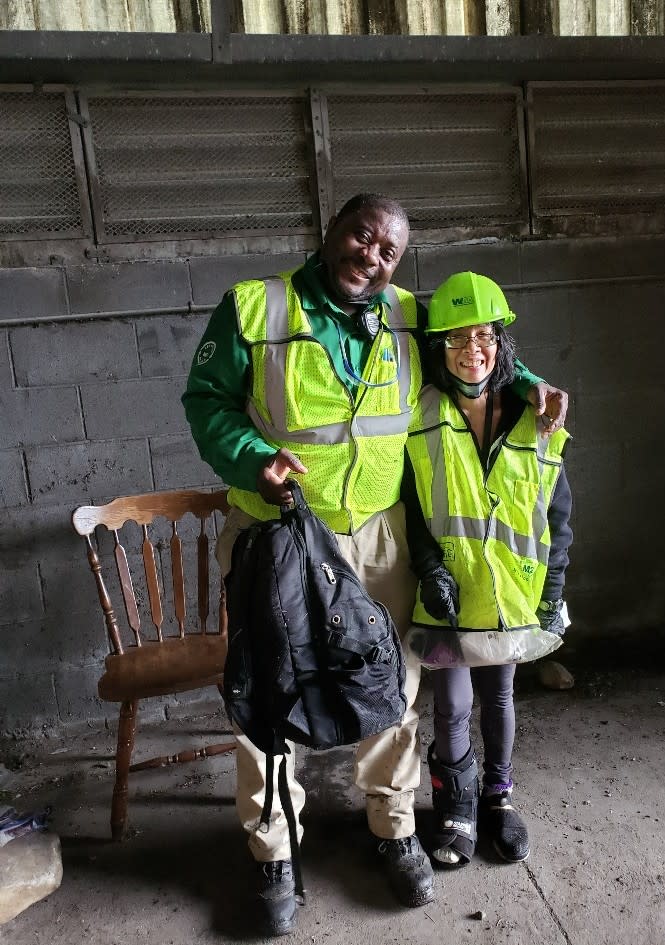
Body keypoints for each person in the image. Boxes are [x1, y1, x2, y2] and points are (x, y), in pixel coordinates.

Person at [182, 195, 568, 935]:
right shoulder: (254, 310)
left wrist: (530, 387)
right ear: (331, 230)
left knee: (395, 688)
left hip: (381, 536)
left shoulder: (405, 313)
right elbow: (206, 403)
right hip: (280, 532)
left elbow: (475, 356)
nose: (373, 256)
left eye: (389, 250)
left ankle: (393, 829)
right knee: (270, 695)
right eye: (363, 236)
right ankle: (274, 853)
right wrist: (255, 459)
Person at [402, 271, 573, 869]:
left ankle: (498, 801)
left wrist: (552, 587)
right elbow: (413, 508)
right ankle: (455, 805)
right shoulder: (420, 414)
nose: (472, 351)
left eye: (484, 337)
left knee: (499, 697)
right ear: (437, 347)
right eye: (455, 339)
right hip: (449, 598)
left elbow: (557, 508)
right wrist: (429, 572)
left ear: (501, 342)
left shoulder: (535, 414)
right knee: (450, 706)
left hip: (508, 595)